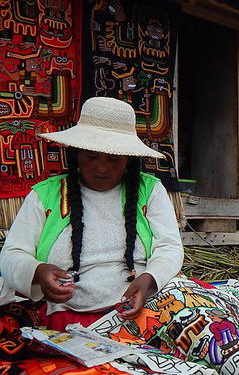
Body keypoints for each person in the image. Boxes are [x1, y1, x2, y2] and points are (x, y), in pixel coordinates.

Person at [0, 97, 183, 330]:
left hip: (142, 311)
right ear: (77, 154)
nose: (102, 167)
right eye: (91, 157)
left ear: (129, 160)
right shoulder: (45, 195)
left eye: (114, 159)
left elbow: (170, 247)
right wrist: (38, 272)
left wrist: (149, 280)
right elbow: (11, 255)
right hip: (65, 316)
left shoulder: (150, 191)